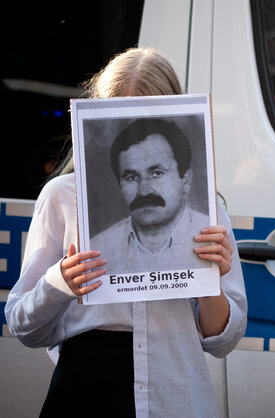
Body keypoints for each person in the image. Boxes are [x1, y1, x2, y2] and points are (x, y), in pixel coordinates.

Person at [4, 48, 247, 418]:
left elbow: (223, 341)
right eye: (115, 123)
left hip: (175, 396)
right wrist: (61, 282)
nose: (145, 186)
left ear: (184, 174)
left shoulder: (209, 212)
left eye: (158, 169)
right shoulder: (61, 197)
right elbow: (23, 325)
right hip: (82, 394)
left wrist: (211, 280)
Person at [92, 117, 210, 272]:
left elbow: (235, 297)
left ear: (186, 180)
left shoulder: (212, 234)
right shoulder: (98, 251)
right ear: (120, 185)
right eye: (131, 177)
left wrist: (215, 282)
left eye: (156, 173)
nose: (144, 190)